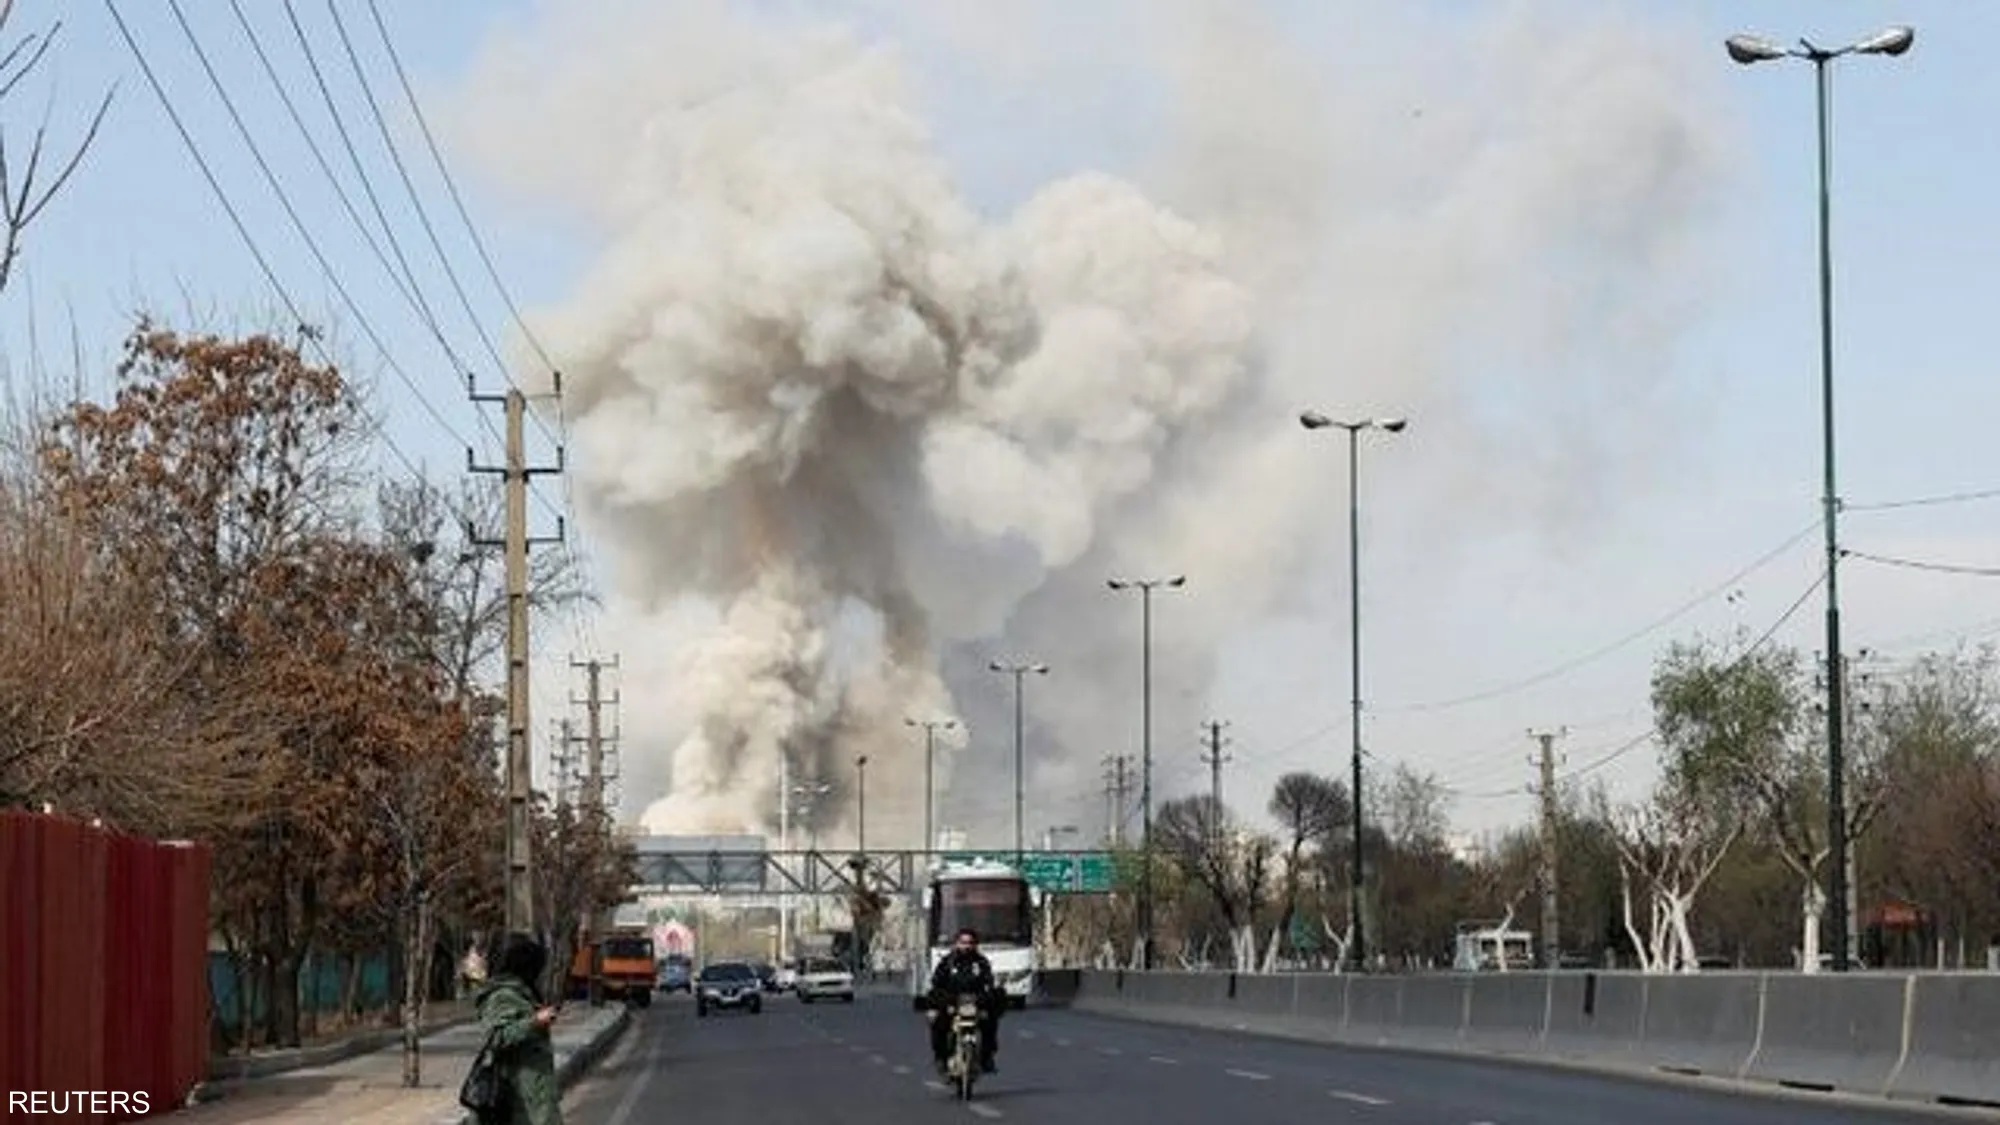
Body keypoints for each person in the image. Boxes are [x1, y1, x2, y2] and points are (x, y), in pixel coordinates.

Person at [473, 932, 563, 1125]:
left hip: (534, 1096)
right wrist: (535, 1022)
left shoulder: (521, 992)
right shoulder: (502, 995)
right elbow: (496, 1037)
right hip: (520, 1102)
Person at [926, 927, 1002, 1076]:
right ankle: (941, 1058)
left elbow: (989, 982)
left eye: (970, 943)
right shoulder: (947, 962)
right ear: (956, 943)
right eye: (963, 942)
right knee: (939, 1024)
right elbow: (937, 983)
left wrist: (990, 1001)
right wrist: (937, 1004)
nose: (966, 946)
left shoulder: (981, 963)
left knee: (989, 1023)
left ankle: (986, 1058)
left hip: (975, 1003)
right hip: (953, 1003)